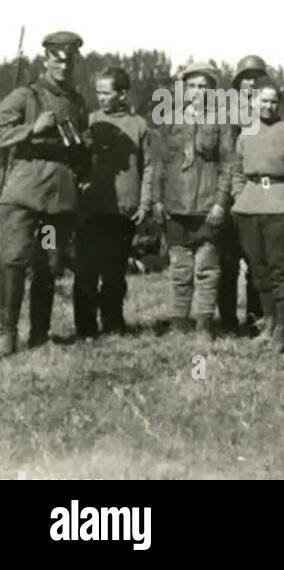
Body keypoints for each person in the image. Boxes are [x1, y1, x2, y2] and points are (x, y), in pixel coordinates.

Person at [0, 31, 89, 355]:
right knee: (12, 259)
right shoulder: (25, 96)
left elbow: (83, 144)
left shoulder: (77, 101)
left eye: (69, 61)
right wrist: (31, 129)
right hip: (23, 195)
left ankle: (39, 333)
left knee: (48, 262)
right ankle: (6, 334)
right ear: (46, 59)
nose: (63, 66)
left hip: (57, 200)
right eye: (58, 59)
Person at [230, 80, 284, 350]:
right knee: (259, 270)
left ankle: (283, 329)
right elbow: (236, 172)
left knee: (282, 270)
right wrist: (239, 197)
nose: (268, 106)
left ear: (279, 104)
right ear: (254, 102)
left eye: (273, 101)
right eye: (263, 100)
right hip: (249, 208)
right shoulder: (245, 134)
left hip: (282, 207)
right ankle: (268, 323)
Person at [76, 67, 155, 338]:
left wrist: (145, 204)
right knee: (86, 268)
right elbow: (79, 161)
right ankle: (85, 329)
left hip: (124, 210)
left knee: (114, 270)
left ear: (122, 93)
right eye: (98, 92)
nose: (101, 98)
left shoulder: (139, 126)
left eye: (106, 92)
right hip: (91, 208)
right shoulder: (90, 122)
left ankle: (112, 324)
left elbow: (149, 168)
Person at [155, 63, 232, 340]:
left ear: (212, 91)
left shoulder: (221, 121)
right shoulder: (168, 119)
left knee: (207, 268)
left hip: (207, 205)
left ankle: (204, 325)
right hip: (175, 205)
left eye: (203, 87)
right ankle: (178, 324)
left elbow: (228, 165)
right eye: (192, 86)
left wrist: (221, 202)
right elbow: (159, 163)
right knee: (180, 269)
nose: (197, 92)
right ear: (183, 89)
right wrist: (157, 199)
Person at [220, 54, 270, 334]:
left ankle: (255, 318)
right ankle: (227, 319)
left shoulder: (267, 110)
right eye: (246, 78)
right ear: (237, 81)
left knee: (256, 259)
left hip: (257, 190)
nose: (251, 83)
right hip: (229, 190)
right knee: (228, 260)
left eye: (256, 78)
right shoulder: (228, 110)